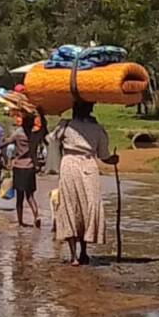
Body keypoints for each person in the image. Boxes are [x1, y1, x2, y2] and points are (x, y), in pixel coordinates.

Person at [51, 101, 119, 266]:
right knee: (88, 207)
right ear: (90, 110)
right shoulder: (98, 129)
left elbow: (51, 139)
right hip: (89, 166)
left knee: (70, 207)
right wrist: (114, 160)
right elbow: (104, 155)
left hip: (69, 166)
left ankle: (73, 256)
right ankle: (84, 252)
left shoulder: (65, 126)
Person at [4, 112, 42, 228]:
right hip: (30, 167)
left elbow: (5, 143)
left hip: (19, 167)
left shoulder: (18, 134)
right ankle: (36, 215)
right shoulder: (35, 135)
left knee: (19, 198)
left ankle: (20, 222)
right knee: (30, 196)